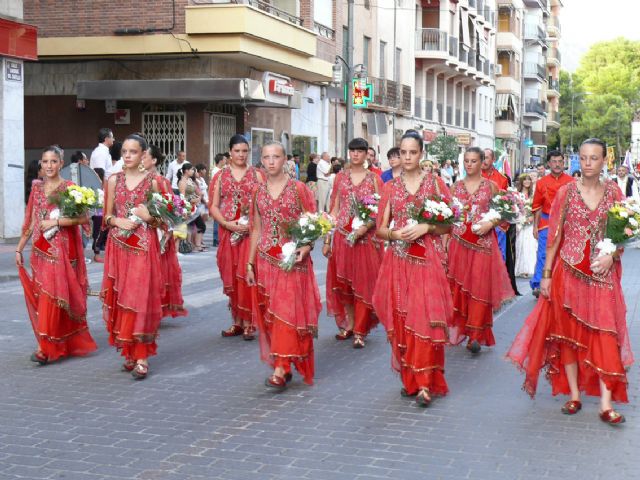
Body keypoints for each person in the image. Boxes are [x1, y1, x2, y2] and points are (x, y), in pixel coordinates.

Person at [506, 138, 633, 425]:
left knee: (606, 335)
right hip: (568, 273)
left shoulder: (614, 192)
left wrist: (613, 255)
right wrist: (547, 276)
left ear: (604, 162)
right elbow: (554, 238)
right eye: (584, 158)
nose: (588, 163)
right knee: (569, 338)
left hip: (602, 274)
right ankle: (574, 394)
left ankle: (605, 402)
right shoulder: (565, 192)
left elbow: (623, 231)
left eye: (594, 158)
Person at [372, 130, 453, 407]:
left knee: (425, 320)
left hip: (427, 262)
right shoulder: (390, 188)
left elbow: (448, 225)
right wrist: (396, 235)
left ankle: (425, 384)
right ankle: (410, 379)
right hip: (398, 262)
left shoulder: (435, 184)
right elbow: (380, 230)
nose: (407, 157)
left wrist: (427, 226)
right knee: (403, 320)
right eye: (403, 152)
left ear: (421, 153)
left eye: (413, 152)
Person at [246, 142, 321, 390]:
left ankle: (281, 368)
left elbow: (313, 223)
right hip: (266, 259)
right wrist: (249, 263)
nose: (270, 162)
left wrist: (307, 246)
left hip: (292, 261)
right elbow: (256, 228)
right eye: (266, 157)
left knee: (287, 314)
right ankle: (283, 360)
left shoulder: (298, 189)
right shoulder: (257, 191)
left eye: (275, 157)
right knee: (271, 314)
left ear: (285, 159)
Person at [16, 146, 98, 365]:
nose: (49, 166)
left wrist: (56, 221)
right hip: (40, 250)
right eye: (45, 162)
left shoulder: (69, 188)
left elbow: (83, 219)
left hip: (61, 251)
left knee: (55, 296)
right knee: (45, 297)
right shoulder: (37, 189)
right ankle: (59, 342)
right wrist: (19, 248)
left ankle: (45, 348)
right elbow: (31, 221)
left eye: (53, 161)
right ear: (41, 164)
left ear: (61, 164)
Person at [101, 133, 165, 380]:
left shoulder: (153, 182)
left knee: (139, 299)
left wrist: (149, 218)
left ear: (143, 154)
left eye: (133, 152)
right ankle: (129, 349)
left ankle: (141, 356)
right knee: (122, 298)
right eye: (124, 151)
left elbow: (161, 221)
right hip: (118, 247)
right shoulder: (113, 181)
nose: (127, 155)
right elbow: (106, 217)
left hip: (143, 248)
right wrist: (118, 220)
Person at [448, 147, 515, 354]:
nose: (469, 164)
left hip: (483, 245)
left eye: (474, 160)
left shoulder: (491, 186)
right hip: (458, 243)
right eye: (466, 161)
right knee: (460, 289)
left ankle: (475, 335)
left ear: (482, 162)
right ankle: (463, 328)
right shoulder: (455, 187)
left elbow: (507, 211)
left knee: (479, 290)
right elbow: (447, 216)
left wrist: (491, 223)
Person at [324, 137, 383, 348]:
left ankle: (360, 330)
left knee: (363, 286)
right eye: (352, 151)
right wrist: (327, 238)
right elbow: (334, 209)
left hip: (365, 240)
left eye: (360, 151)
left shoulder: (374, 179)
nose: (356, 154)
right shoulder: (340, 178)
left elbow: (381, 210)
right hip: (342, 237)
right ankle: (349, 324)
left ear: (367, 153)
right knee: (344, 285)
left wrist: (365, 227)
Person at [208, 134, 264, 340]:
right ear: (230, 152)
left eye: (244, 151)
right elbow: (213, 205)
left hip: (250, 233)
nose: (241, 155)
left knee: (247, 275)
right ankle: (237, 321)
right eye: (237, 151)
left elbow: (264, 205)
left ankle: (250, 322)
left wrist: (252, 225)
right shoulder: (220, 176)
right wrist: (225, 223)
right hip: (228, 231)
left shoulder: (257, 175)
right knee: (230, 275)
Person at [142, 145, 187, 319]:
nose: (140, 159)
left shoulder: (161, 181)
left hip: (157, 231)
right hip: (138, 230)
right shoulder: (134, 179)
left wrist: (166, 230)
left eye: (144, 156)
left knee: (156, 272)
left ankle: (154, 308)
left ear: (154, 160)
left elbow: (170, 208)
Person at [530, 150, 574, 298]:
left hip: (566, 223)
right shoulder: (541, 183)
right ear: (549, 163)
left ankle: (564, 283)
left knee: (565, 254)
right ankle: (537, 284)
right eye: (554, 161)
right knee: (543, 254)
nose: (557, 164)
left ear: (564, 163)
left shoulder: (572, 182)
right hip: (546, 222)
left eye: (560, 161)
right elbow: (537, 206)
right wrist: (535, 227)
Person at [178, 163, 207, 252]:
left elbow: (196, 191)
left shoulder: (190, 180)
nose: (193, 171)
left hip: (194, 207)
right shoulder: (182, 182)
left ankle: (194, 245)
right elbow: (182, 197)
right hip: (188, 208)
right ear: (186, 171)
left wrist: (198, 198)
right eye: (191, 170)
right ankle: (191, 245)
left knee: (198, 226)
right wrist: (190, 202)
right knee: (192, 227)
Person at [514, 174, 537, 278]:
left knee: (531, 245)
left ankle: (531, 268)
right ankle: (522, 269)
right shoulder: (517, 195)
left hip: (531, 223)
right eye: (525, 180)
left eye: (529, 180)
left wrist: (532, 217)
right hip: (520, 223)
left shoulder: (533, 194)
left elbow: (536, 208)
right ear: (522, 181)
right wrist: (521, 219)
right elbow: (514, 208)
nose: (527, 182)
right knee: (521, 245)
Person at [211, 153, 227, 247]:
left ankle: (219, 237)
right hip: (217, 196)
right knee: (217, 217)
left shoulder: (221, 170)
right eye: (224, 159)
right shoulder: (216, 171)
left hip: (221, 196)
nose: (225, 161)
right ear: (221, 160)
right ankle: (216, 238)